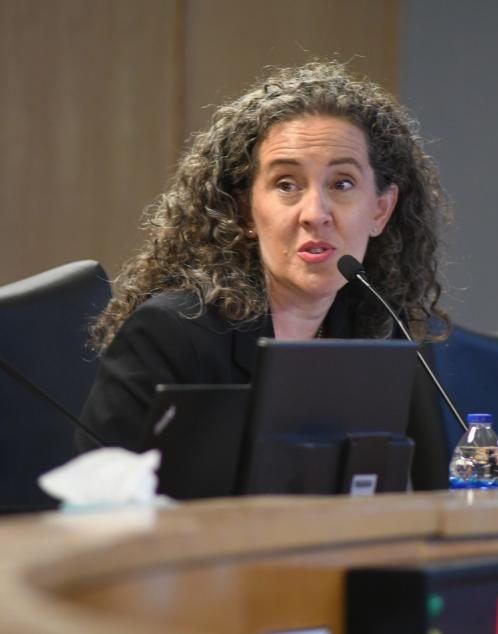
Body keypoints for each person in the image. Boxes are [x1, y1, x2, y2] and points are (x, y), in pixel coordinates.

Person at [80, 61, 451, 451]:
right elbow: (98, 502)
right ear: (244, 212)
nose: (315, 213)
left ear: (380, 210)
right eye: (286, 184)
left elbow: (431, 491)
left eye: (342, 183)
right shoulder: (173, 335)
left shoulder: (383, 332)